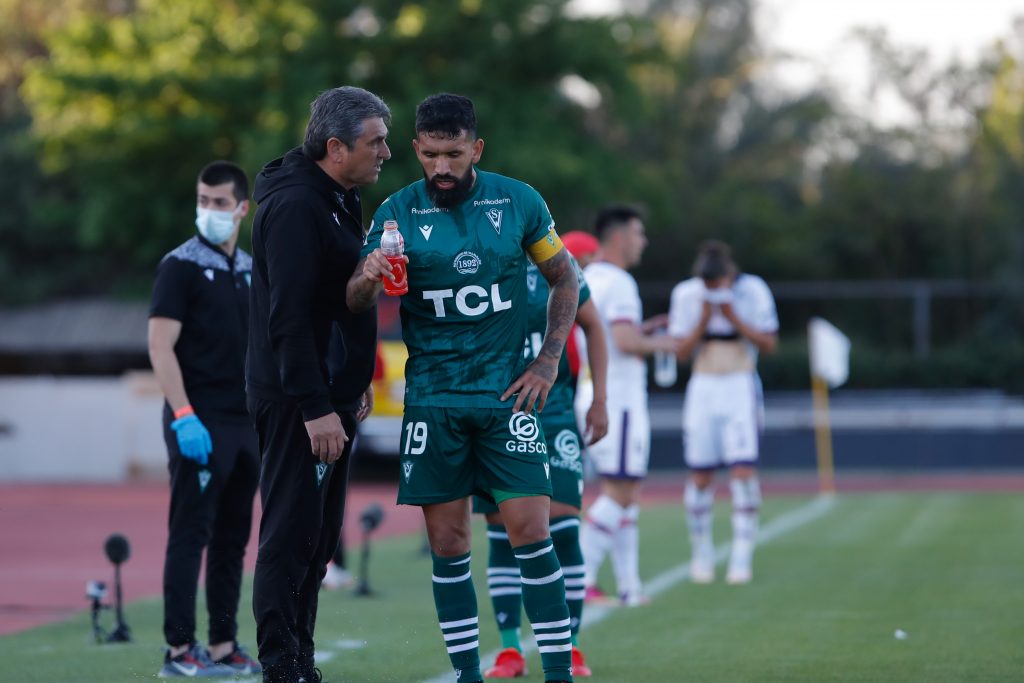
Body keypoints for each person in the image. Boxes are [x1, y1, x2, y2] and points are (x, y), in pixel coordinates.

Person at [346, 93, 580, 683]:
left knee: (533, 531)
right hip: (433, 400)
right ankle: (468, 676)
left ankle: (557, 671)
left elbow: (565, 279)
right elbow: (352, 299)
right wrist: (368, 277)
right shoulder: (395, 211)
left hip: (507, 400)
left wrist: (548, 361)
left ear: (475, 148)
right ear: (417, 151)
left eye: (453, 154)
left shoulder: (519, 200)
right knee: (449, 544)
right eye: (430, 155)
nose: (442, 168)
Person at [246, 86, 389, 683]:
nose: (386, 153)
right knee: (290, 531)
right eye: (375, 142)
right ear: (336, 147)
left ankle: (302, 659)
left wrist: (350, 382)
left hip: (330, 395)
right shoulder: (299, 205)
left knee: (322, 535)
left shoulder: (337, 195)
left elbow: (339, 301)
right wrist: (313, 407)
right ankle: (282, 666)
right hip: (297, 400)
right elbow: (289, 317)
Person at [148, 160, 262, 677]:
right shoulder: (180, 265)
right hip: (198, 418)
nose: (209, 211)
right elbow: (160, 346)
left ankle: (222, 644)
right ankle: (178, 649)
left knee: (234, 537)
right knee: (190, 531)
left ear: (242, 208)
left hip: (246, 422)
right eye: (203, 201)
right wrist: (183, 414)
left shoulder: (251, 269)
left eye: (219, 203)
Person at [474, 243, 609, 679]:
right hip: (497, 411)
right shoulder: (476, 259)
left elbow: (594, 327)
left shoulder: (558, 263)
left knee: (565, 524)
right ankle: (511, 650)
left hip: (553, 409)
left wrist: (599, 400)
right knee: (502, 531)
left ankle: (569, 645)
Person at [577, 206, 678, 607]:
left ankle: (629, 585)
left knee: (626, 491)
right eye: (639, 234)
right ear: (618, 238)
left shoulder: (590, 277)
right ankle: (581, 579)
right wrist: (666, 343)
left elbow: (612, 333)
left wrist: (643, 332)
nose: (643, 241)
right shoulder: (619, 282)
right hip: (616, 398)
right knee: (620, 491)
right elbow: (624, 342)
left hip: (596, 391)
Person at [667, 240, 778, 584]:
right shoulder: (686, 294)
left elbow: (770, 343)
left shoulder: (753, 289)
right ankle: (701, 549)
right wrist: (702, 319)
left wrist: (733, 316)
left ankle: (742, 555)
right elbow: (681, 352)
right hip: (704, 386)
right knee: (701, 474)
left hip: (739, 383)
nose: (713, 289)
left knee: (743, 472)